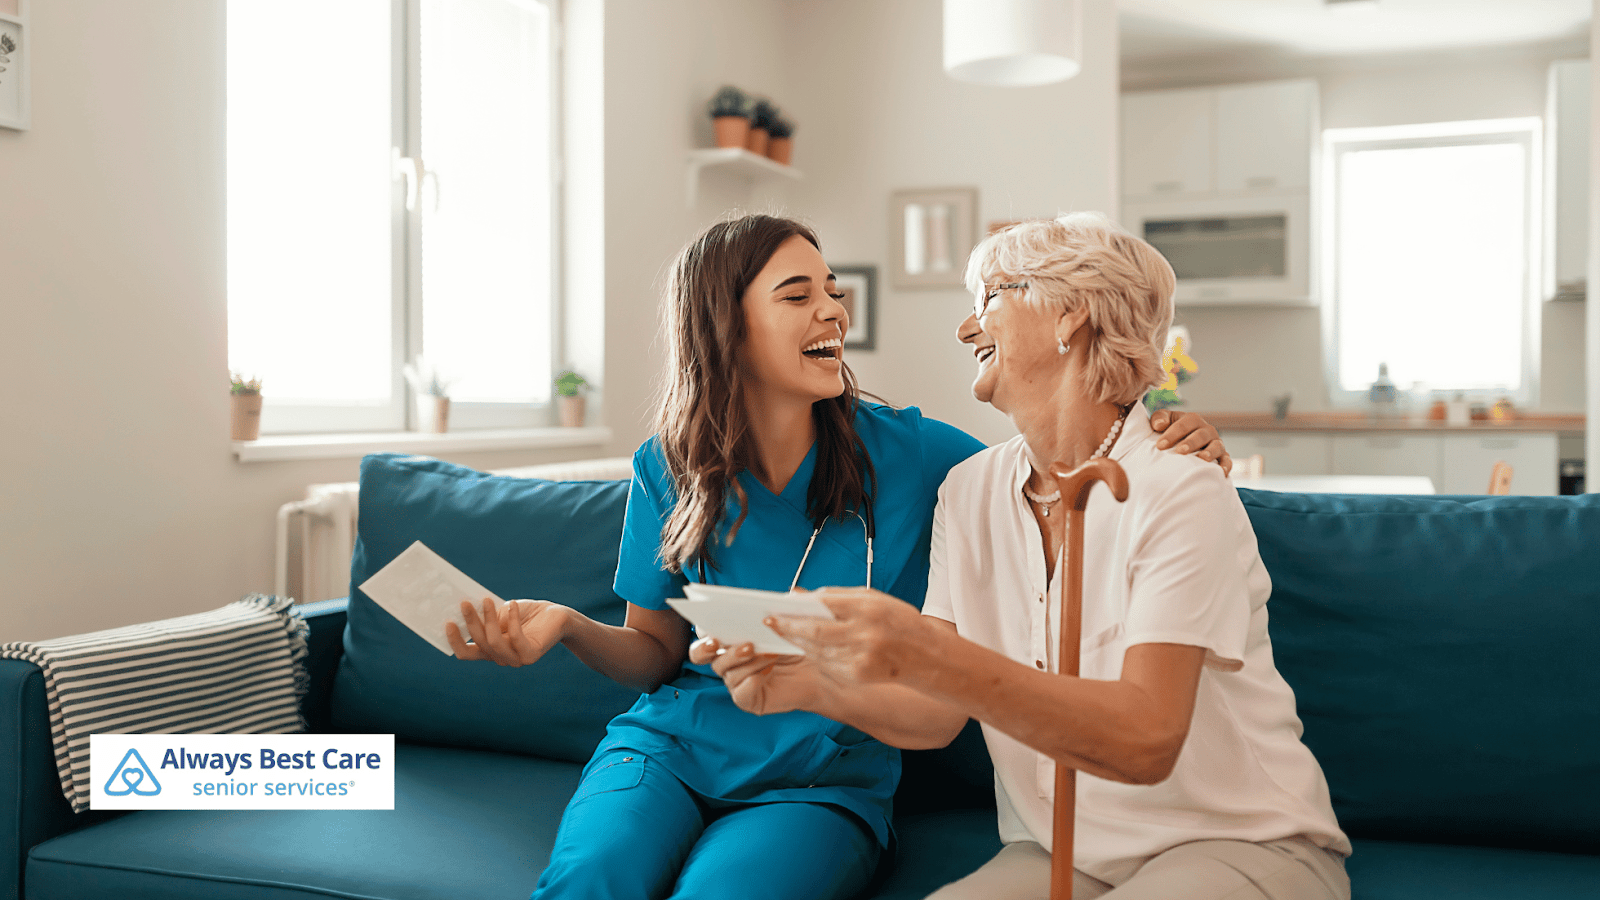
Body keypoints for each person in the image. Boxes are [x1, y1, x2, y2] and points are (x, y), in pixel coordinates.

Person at [445, 214, 1232, 900]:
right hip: (668, 750)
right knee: (588, 883)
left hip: (821, 779)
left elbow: (1059, 452)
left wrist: (1163, 427)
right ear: (726, 324)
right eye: (798, 296)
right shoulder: (668, 462)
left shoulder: (916, 453)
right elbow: (655, 655)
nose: (833, 310)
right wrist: (566, 628)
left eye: (831, 291)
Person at [704, 213, 1351, 900]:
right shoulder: (969, 492)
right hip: (1062, 850)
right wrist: (806, 685)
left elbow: (1146, 738)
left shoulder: (1179, 488)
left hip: (1235, 841)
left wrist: (925, 653)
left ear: (1069, 314)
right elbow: (936, 711)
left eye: (988, 300)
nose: (964, 328)